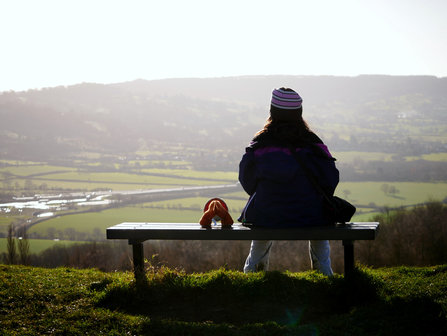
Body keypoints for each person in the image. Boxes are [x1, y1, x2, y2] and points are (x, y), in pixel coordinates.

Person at [238, 87, 339, 275]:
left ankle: (252, 274)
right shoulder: (313, 143)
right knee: (320, 226)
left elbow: (246, 180)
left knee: (261, 227)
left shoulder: (259, 143)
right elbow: (329, 180)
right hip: (309, 214)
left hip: (266, 213)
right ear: (299, 113)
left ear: (272, 111)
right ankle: (324, 274)